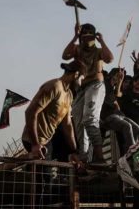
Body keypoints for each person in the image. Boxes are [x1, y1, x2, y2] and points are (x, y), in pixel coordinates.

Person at [62, 23, 114, 163]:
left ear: (93, 37)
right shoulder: (77, 49)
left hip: (95, 86)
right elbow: (65, 56)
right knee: (78, 124)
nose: (85, 40)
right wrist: (74, 37)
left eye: (88, 36)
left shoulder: (98, 51)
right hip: (81, 89)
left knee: (90, 119)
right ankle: (83, 157)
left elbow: (110, 58)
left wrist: (101, 40)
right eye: (83, 36)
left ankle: (99, 155)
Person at [21, 60, 86, 166]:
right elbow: (30, 112)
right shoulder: (54, 86)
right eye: (82, 79)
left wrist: (74, 151)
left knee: (47, 176)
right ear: (76, 74)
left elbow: (67, 125)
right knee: (45, 176)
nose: (82, 83)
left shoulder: (68, 94)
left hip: (47, 140)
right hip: (33, 139)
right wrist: (35, 144)